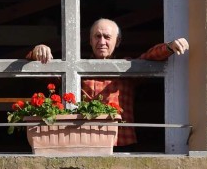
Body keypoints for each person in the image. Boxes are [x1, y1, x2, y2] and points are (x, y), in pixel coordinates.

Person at [26, 18, 189, 150]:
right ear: (90, 41)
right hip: (82, 140)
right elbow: (45, 74)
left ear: (117, 42)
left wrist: (169, 47)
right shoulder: (74, 68)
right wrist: (37, 52)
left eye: (107, 37)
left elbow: (149, 58)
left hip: (121, 142)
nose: (102, 41)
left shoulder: (125, 67)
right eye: (97, 36)